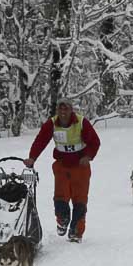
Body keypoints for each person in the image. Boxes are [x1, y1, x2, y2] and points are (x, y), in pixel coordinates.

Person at [23, 98, 100, 243]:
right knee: (60, 196)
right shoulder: (52, 124)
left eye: (66, 109)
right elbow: (41, 140)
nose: (63, 113)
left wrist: (88, 156)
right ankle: (62, 221)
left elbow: (95, 142)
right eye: (60, 109)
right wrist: (32, 158)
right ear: (57, 110)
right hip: (62, 165)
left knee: (80, 199)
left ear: (71, 110)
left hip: (80, 166)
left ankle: (76, 231)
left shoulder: (81, 122)